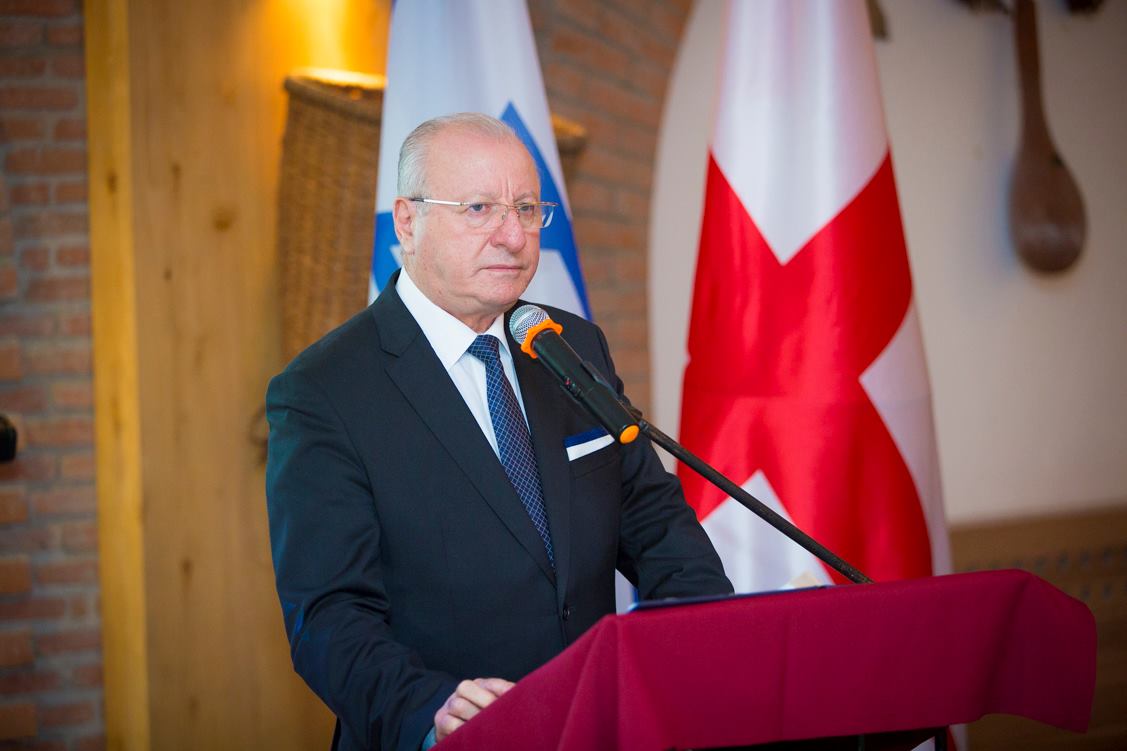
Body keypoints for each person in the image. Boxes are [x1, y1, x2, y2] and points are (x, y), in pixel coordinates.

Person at [265, 113, 732, 751]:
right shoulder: (324, 390)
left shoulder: (570, 346)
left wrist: (703, 644)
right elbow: (328, 616)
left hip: (597, 725)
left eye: (527, 209)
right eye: (479, 208)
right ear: (407, 221)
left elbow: (656, 525)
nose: (513, 236)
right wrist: (426, 709)